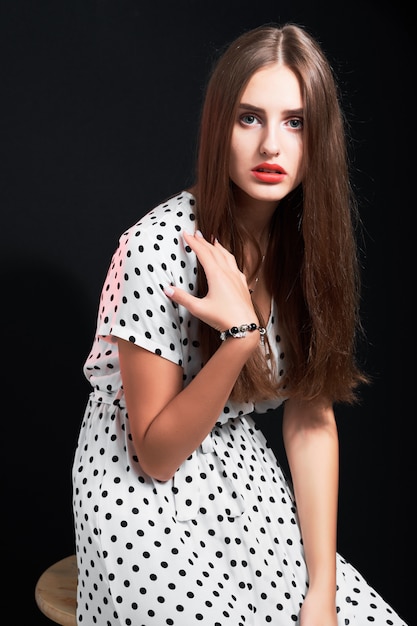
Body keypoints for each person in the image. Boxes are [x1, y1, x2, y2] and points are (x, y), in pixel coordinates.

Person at [72, 22, 407, 626]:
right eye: (249, 118)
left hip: (243, 482)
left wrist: (322, 589)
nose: (271, 146)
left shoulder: (313, 250)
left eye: (295, 121)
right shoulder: (157, 248)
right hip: (138, 493)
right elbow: (154, 453)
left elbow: (311, 419)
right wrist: (239, 340)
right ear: (218, 127)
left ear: (320, 137)